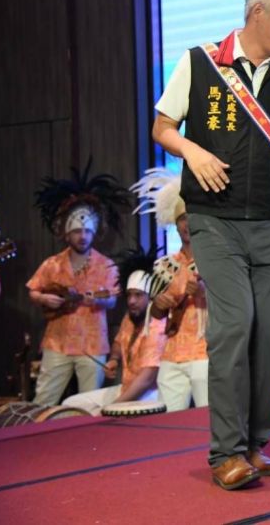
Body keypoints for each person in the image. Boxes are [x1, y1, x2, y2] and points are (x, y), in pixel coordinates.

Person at [152, 0, 270, 490]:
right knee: (234, 325)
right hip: (215, 221)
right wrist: (192, 151)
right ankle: (226, 453)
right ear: (258, 11)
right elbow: (162, 126)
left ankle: (255, 444)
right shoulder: (201, 62)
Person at [28, 163, 127, 405]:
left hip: (92, 344)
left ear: (94, 233)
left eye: (86, 231)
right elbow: (33, 290)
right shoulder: (52, 264)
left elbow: (113, 299)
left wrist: (99, 299)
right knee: (44, 399)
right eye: (76, 232)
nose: (82, 236)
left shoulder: (106, 265)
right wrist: (43, 298)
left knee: (90, 402)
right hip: (57, 342)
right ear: (66, 234)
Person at [132, 168, 209, 412]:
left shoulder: (216, 261)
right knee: (169, 421)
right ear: (176, 224)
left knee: (209, 417)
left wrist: (204, 293)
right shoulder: (164, 265)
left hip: (206, 351)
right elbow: (156, 315)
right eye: (182, 218)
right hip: (172, 353)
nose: (187, 224)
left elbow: (233, 301)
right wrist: (158, 305)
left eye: (191, 217)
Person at [62, 249, 168, 415]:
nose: (131, 301)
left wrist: (110, 408)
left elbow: (146, 380)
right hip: (126, 388)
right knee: (71, 404)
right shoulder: (130, 317)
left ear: (151, 297)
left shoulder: (157, 325)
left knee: (97, 414)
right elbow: (119, 342)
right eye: (129, 295)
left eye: (138, 295)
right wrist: (113, 359)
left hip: (149, 395)